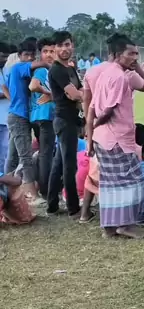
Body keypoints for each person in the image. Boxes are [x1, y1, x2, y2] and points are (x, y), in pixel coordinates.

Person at [89, 35, 144, 238]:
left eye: (136, 54)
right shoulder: (118, 77)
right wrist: (97, 124)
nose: (134, 57)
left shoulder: (107, 73)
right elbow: (108, 109)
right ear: (117, 54)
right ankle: (125, 224)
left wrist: (92, 131)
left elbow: (92, 107)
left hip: (104, 138)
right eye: (130, 53)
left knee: (109, 183)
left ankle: (109, 227)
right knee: (132, 181)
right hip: (116, 138)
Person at [47, 31, 84, 217]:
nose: (64, 49)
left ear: (72, 46)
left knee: (59, 164)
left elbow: (79, 90)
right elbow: (75, 93)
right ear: (55, 49)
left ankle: (52, 205)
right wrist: (84, 96)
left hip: (71, 119)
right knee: (69, 166)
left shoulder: (70, 68)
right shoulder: (57, 70)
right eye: (60, 45)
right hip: (64, 120)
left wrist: (80, 95)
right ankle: (73, 208)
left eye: (67, 44)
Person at [5, 39, 46, 201]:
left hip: (18, 115)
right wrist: (50, 62)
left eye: (32, 55)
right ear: (20, 55)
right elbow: (37, 64)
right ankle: (32, 195)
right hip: (19, 117)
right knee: (25, 157)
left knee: (13, 156)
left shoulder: (19, 71)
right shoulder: (19, 67)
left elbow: (5, 86)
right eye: (26, 55)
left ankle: (7, 191)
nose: (30, 58)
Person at [29, 37, 56, 200]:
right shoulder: (41, 71)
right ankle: (46, 190)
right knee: (46, 153)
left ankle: (44, 186)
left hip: (40, 117)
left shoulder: (51, 71)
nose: (49, 55)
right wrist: (50, 94)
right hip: (45, 117)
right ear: (40, 54)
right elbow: (33, 86)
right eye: (45, 51)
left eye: (52, 51)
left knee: (45, 152)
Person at [0, 41, 10, 171]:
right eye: (2, 56)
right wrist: (7, 94)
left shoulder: (7, 70)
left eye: (7, 57)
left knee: (4, 154)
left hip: (6, 119)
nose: (5, 60)